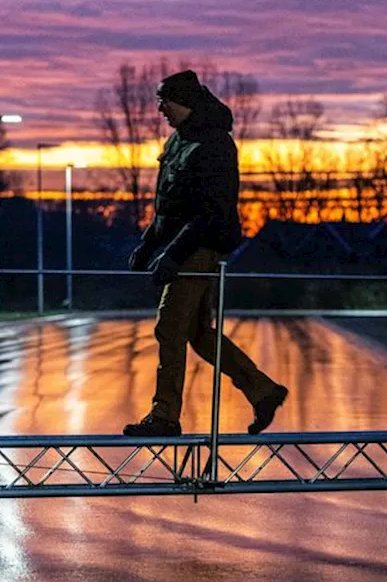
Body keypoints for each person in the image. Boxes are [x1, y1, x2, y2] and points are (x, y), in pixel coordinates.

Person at [123, 70, 288, 437]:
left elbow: (210, 213)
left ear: (184, 101)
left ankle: (164, 416)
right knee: (199, 334)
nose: (160, 109)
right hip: (182, 247)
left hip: (199, 249)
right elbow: (169, 208)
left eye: (164, 101)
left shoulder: (215, 145)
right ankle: (263, 391)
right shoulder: (178, 141)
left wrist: (173, 255)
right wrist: (148, 244)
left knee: (170, 328)